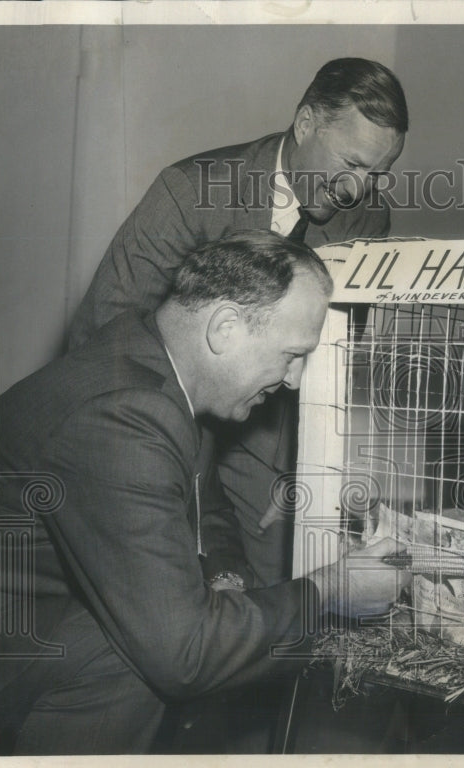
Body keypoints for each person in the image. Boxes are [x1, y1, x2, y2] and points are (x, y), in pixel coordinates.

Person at [0, 231, 410, 755]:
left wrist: (227, 585)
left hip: (22, 610)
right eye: (292, 354)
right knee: (142, 653)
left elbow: (208, 507)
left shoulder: (156, 366)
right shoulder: (123, 415)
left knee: (179, 628)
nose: (295, 379)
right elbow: (183, 657)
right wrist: (328, 590)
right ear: (225, 327)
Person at [67, 57, 408, 587]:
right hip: (162, 405)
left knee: (276, 588)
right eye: (351, 163)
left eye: (376, 174)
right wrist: (171, 459)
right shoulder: (188, 191)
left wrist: (310, 468)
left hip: (268, 427)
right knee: (166, 583)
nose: (356, 190)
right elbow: (103, 337)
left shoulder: (367, 219)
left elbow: (335, 354)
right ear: (305, 124)